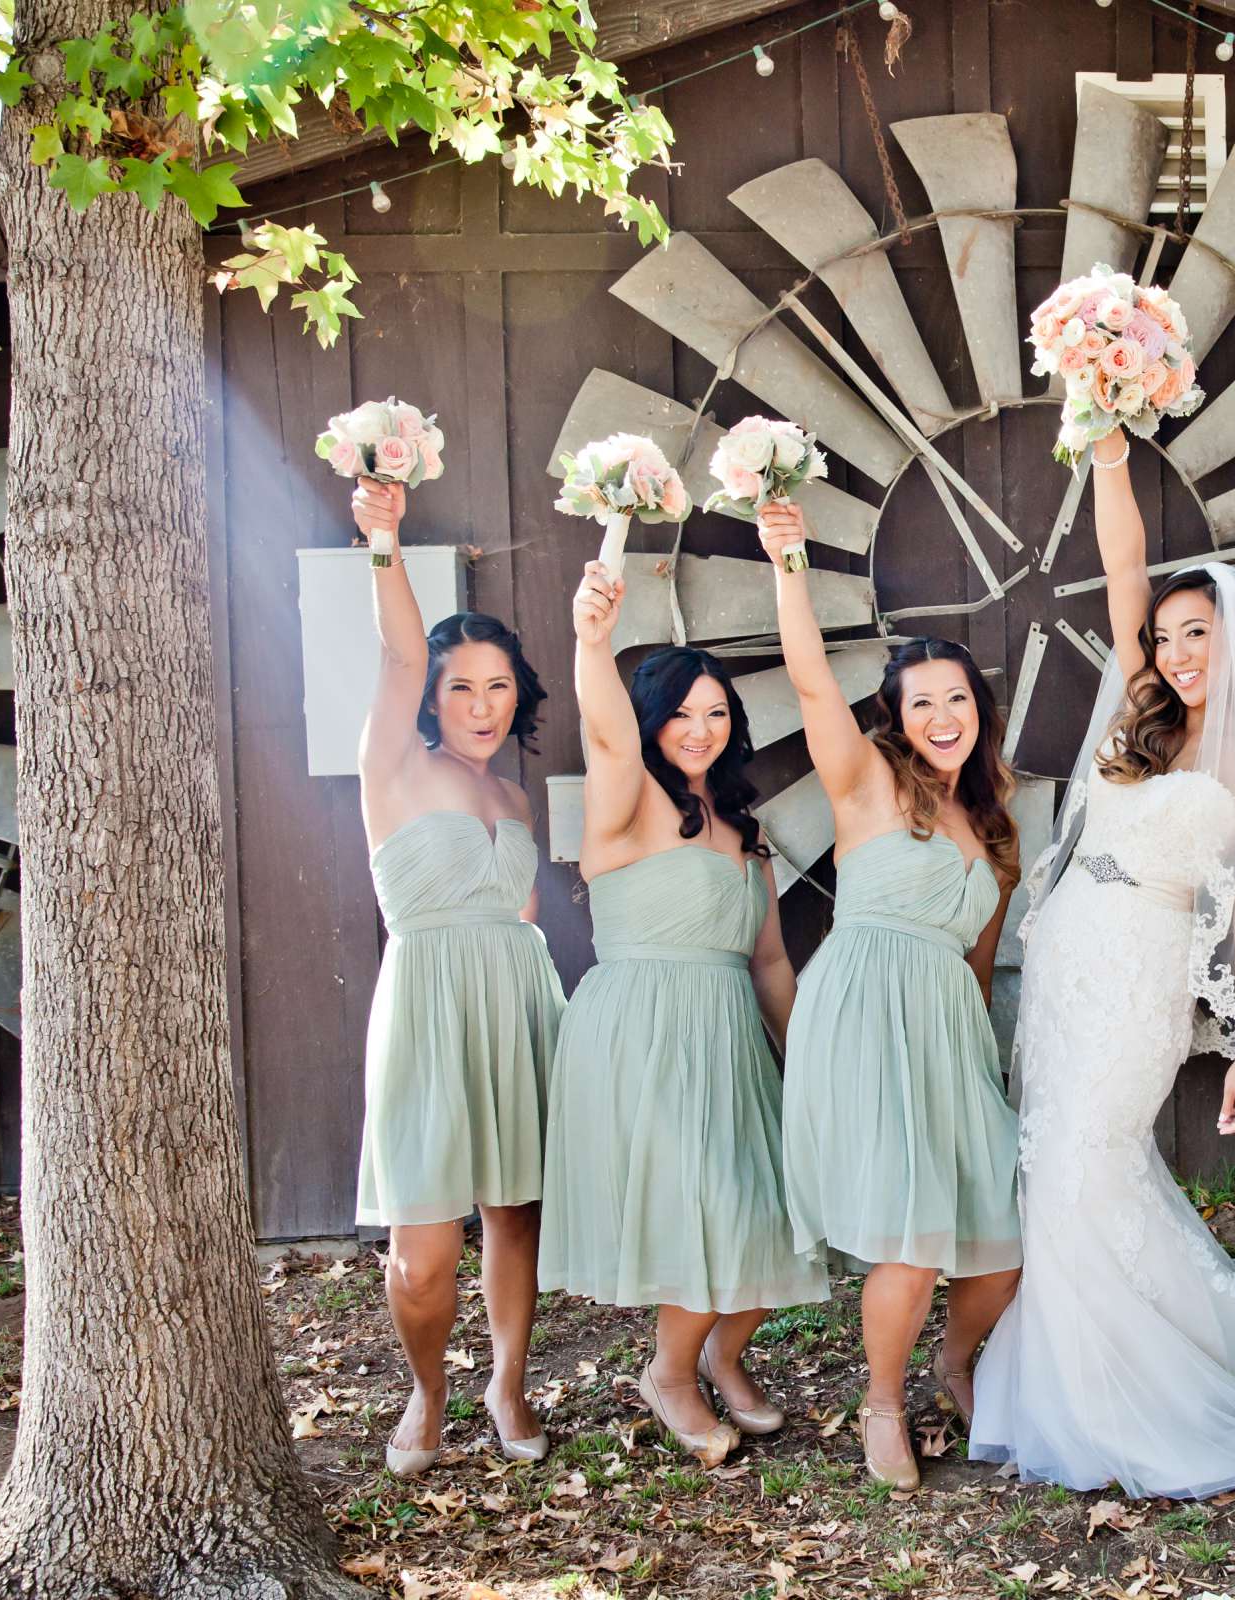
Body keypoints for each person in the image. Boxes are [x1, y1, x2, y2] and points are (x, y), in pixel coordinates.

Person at [968, 425, 1235, 1500]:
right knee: (1051, 1167)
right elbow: (1121, 568)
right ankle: (1066, 1372)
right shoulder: (1145, 722)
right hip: (1068, 959)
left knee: (1086, 1161)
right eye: (1165, 637)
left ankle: (1137, 1389)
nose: (1177, 655)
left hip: (1144, 982)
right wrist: (1108, 454)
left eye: (1198, 633)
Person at [755, 502, 1023, 1494]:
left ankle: (955, 1359)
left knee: (1003, 1230)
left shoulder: (995, 825)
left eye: (957, 700)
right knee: (912, 1234)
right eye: (922, 705)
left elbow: (980, 964)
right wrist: (788, 555)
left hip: (948, 1027)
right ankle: (881, 1400)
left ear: (977, 709)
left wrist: (981, 1061)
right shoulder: (866, 782)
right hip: (867, 1008)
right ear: (897, 718)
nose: (942, 719)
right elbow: (811, 680)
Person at [537, 563, 828, 1468]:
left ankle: (722, 1355)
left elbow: (772, 959)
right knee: (710, 1202)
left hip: (729, 1032)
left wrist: (802, 1056)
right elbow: (605, 730)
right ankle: (669, 1375)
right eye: (681, 713)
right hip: (643, 1031)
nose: (700, 730)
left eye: (717, 714)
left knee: (770, 1211)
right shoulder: (627, 797)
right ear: (652, 719)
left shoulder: (741, 827)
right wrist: (591, 638)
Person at [350, 479, 563, 1476]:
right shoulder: (392, 768)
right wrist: (385, 540)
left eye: (500, 686)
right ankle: (428, 1390)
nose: (483, 705)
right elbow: (397, 650)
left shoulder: (515, 792)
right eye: (460, 687)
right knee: (423, 1250)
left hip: (514, 1000)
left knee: (513, 1212)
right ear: (430, 697)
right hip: (429, 1005)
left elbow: (520, 913)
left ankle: (508, 1384)